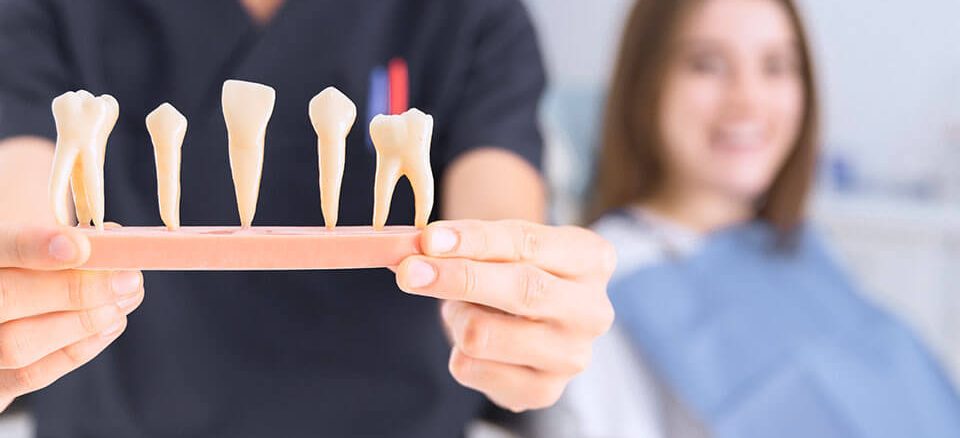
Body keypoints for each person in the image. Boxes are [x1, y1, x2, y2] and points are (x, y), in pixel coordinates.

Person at [0, 0, 616, 436]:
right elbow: (21, 212)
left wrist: (512, 312)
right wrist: (20, 301)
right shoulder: (47, 13)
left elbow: (499, 221)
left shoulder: (470, 17)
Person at [530, 0, 960, 437]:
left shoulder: (799, 247)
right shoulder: (606, 279)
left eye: (775, 66)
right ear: (647, 79)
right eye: (707, 64)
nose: (748, 100)